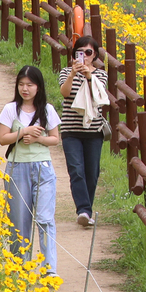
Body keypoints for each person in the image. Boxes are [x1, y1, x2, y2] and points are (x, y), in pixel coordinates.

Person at [0, 65, 60, 276]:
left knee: (44, 219)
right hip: (17, 168)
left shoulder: (48, 109)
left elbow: (55, 139)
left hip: (43, 168)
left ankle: (49, 269)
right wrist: (23, 131)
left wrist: (37, 138)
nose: (25, 89)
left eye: (30, 85)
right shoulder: (10, 109)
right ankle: (20, 266)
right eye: (21, 85)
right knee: (18, 220)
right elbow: (2, 139)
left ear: (38, 87)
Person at [58, 35, 109, 227]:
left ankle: (86, 210)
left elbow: (98, 96)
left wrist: (88, 76)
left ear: (94, 55)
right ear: (74, 54)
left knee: (91, 173)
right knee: (76, 170)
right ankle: (84, 211)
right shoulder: (65, 72)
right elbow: (65, 93)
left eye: (89, 52)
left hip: (93, 131)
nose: (85, 56)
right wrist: (73, 74)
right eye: (81, 52)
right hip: (71, 130)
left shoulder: (100, 75)